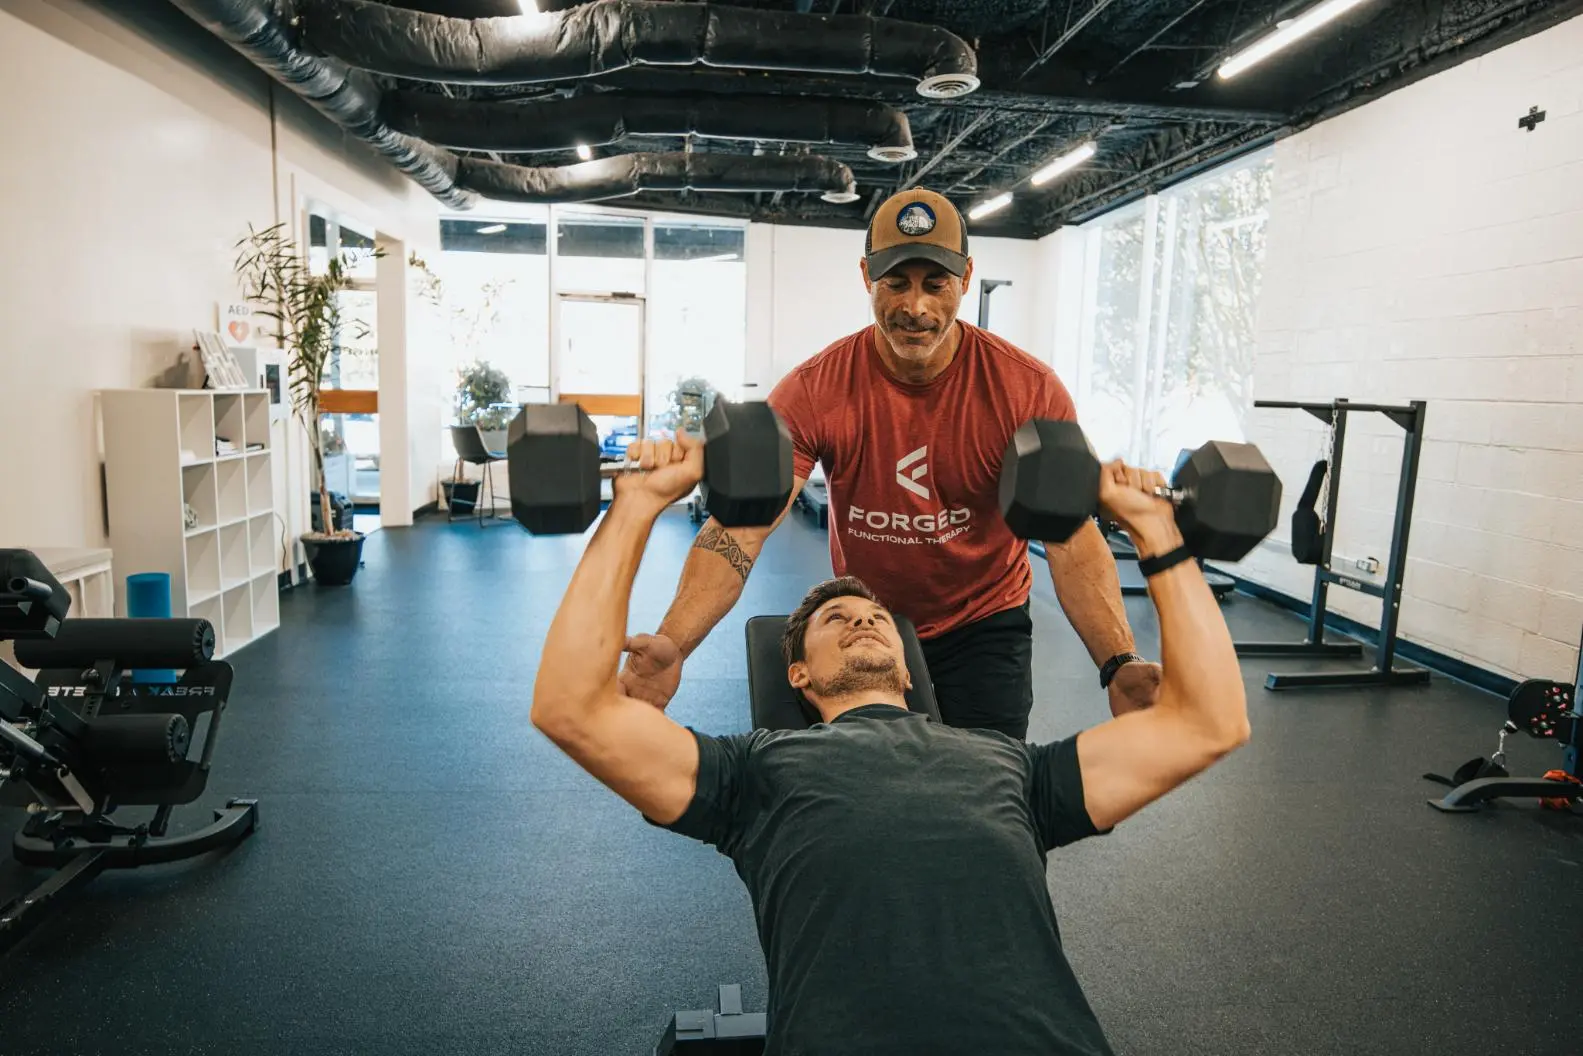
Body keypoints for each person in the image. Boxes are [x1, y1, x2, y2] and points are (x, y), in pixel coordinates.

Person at [531, 431, 1252, 1056]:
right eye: (835, 619)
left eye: (874, 616)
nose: (861, 620)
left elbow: (1209, 723)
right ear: (798, 674)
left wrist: (1157, 531)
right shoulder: (751, 774)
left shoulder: (1015, 769)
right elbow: (571, 709)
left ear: (908, 669)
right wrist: (634, 507)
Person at [620, 187, 1157, 740]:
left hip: (985, 623)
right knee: (866, 779)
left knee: (989, 779)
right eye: (896, 283)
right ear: (866, 277)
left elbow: (1069, 538)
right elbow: (741, 527)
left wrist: (1119, 661)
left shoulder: (1027, 390)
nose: (915, 307)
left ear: (966, 278)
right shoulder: (814, 389)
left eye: (936, 284)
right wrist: (673, 641)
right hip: (868, 624)